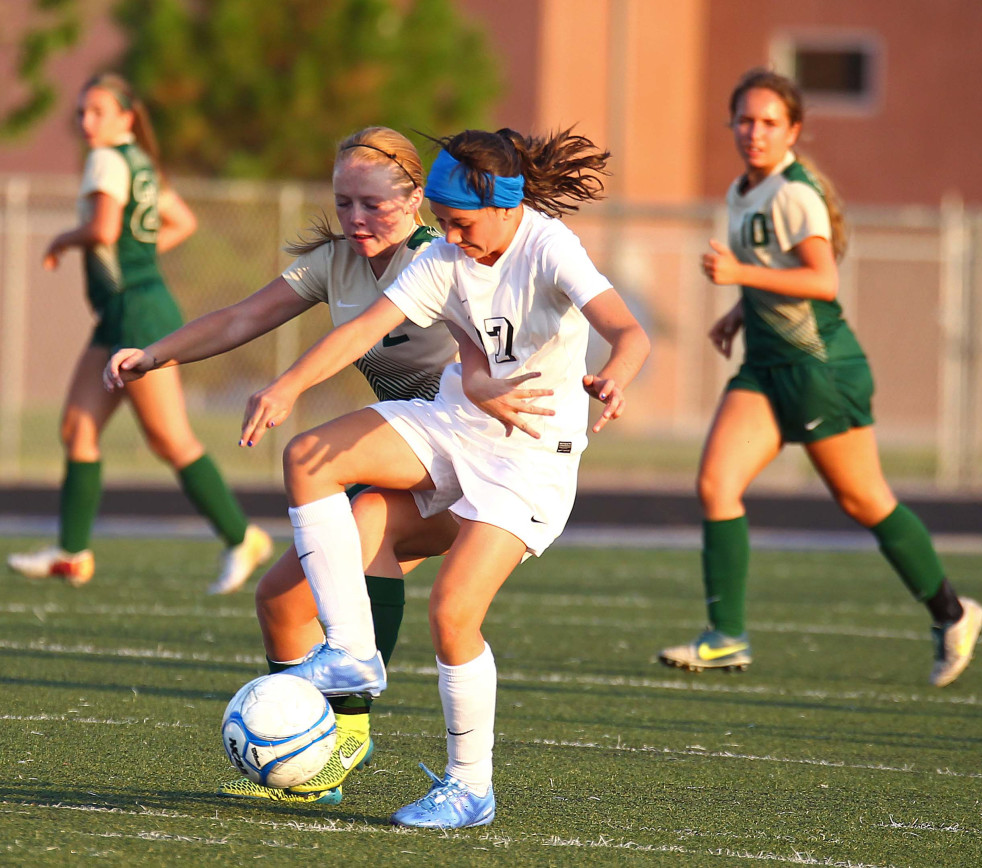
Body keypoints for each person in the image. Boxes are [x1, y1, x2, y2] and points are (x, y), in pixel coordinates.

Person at [113, 126, 650, 828]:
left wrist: (613, 378)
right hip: (451, 428)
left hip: (529, 456)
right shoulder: (438, 256)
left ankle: (466, 786)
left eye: (457, 223)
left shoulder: (544, 245)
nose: (450, 238)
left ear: (495, 206)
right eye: (343, 202)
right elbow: (361, 333)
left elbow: (628, 331)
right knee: (308, 463)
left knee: (453, 609)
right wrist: (286, 385)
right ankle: (350, 661)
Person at [106, 126, 479, 805]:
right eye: (344, 203)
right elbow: (240, 318)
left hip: (470, 460)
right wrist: (153, 353)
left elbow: (510, 338)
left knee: (369, 518)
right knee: (280, 601)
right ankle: (310, 769)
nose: (357, 219)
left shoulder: (445, 261)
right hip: (397, 451)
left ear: (417, 198)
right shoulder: (336, 262)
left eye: (373, 203)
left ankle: (350, 732)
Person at [656, 68, 982, 689]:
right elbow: (767, 268)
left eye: (769, 123)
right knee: (716, 483)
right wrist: (738, 312)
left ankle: (953, 612)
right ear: (731, 125)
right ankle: (726, 637)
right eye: (745, 120)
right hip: (765, 365)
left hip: (818, 369)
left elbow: (820, 281)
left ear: (794, 131)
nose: (754, 132)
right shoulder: (741, 190)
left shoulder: (794, 194)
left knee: (864, 500)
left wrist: (739, 280)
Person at [6, 73, 271, 594]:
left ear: (127, 117)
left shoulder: (107, 160)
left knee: (169, 439)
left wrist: (62, 239)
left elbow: (104, 230)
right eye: (82, 112)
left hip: (138, 315)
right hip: (121, 314)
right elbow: (181, 220)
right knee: (77, 430)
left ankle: (243, 538)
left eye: (98, 112)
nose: (87, 122)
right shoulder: (139, 162)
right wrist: (138, 260)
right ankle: (72, 553)